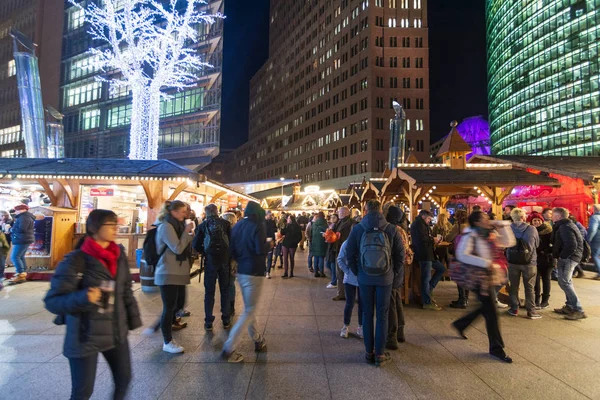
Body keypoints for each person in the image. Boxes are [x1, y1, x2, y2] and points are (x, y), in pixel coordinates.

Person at [44, 210, 141, 399]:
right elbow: (52, 301)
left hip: (116, 330)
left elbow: (125, 289)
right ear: (95, 228)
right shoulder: (76, 260)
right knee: (82, 392)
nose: (116, 228)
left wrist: (132, 318)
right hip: (85, 334)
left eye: (116, 224)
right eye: (110, 225)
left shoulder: (118, 254)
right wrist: (83, 298)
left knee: (124, 379)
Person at [451, 211, 516, 363]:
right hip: (477, 278)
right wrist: (486, 263)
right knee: (491, 311)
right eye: (484, 218)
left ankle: (461, 324)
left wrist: (503, 225)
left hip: (488, 277)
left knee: (487, 308)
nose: (488, 220)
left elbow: (509, 242)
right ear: (477, 222)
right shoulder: (471, 235)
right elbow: (462, 255)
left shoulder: (489, 234)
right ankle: (496, 349)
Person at [346, 200, 404, 367]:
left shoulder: (357, 229)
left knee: (366, 313)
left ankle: (368, 352)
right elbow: (400, 255)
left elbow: (350, 254)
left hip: (364, 278)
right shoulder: (391, 229)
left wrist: (358, 272)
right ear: (380, 211)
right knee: (382, 315)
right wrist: (392, 272)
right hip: (385, 278)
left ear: (365, 210)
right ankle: (379, 354)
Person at [222, 201, 270, 363]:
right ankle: (229, 347)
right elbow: (260, 249)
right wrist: (270, 243)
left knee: (250, 307)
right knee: (249, 310)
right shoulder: (258, 225)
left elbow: (232, 249)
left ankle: (257, 339)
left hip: (241, 271)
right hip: (255, 271)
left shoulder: (238, 225)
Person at [155, 200, 194, 353]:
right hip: (167, 272)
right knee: (169, 307)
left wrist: (188, 234)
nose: (186, 214)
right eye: (183, 211)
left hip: (175, 271)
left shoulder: (175, 226)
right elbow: (177, 248)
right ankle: (167, 341)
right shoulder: (166, 227)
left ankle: (164, 330)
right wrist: (186, 232)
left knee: (176, 305)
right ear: (174, 212)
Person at [193, 204, 232, 331]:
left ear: (206, 213)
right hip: (224, 261)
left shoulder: (203, 225)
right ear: (217, 211)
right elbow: (232, 243)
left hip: (210, 262)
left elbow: (195, 244)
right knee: (225, 290)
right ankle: (226, 319)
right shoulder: (226, 224)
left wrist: (204, 251)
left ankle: (208, 321)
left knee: (209, 292)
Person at [551, 207, 587, 320]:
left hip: (569, 258)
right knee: (566, 282)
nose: (551, 216)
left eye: (553, 214)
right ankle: (570, 306)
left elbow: (571, 245)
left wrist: (562, 257)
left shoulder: (565, 227)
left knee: (565, 282)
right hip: (571, 257)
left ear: (558, 216)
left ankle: (578, 309)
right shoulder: (566, 225)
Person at [506, 208, 541, 319]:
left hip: (512, 261)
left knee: (514, 286)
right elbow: (537, 244)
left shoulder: (507, 228)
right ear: (523, 217)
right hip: (529, 261)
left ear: (512, 217)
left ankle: (514, 308)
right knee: (529, 287)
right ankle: (531, 311)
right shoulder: (532, 229)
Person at [410, 209, 445, 311]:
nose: (429, 221)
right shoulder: (419, 224)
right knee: (426, 277)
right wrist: (433, 239)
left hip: (428, 254)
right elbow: (422, 238)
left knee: (441, 269)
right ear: (424, 217)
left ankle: (428, 290)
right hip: (424, 254)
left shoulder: (420, 224)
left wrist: (433, 240)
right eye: (429, 218)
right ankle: (426, 301)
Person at [385, 205, 409, 349]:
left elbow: (397, 254)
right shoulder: (402, 230)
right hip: (400, 269)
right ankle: (400, 329)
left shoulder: (391, 230)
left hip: (393, 269)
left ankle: (392, 335)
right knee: (396, 298)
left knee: (391, 302)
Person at [337, 240, 363, 339]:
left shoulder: (363, 241)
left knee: (362, 304)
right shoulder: (347, 243)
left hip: (362, 278)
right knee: (349, 303)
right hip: (350, 278)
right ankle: (346, 325)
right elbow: (340, 259)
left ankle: (361, 326)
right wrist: (347, 271)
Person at [528, 211, 553, 309]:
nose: (537, 222)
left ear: (542, 221)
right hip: (535, 259)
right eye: (534, 220)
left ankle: (545, 301)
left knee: (546, 279)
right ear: (531, 222)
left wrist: (544, 251)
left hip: (547, 259)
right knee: (536, 280)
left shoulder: (548, 231)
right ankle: (536, 300)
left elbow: (552, 245)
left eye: (538, 220)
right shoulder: (530, 231)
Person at [6, 204, 34, 285]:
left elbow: (22, 229)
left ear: (23, 210)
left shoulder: (24, 217)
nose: (15, 212)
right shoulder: (25, 216)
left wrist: (10, 229)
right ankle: (22, 274)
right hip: (24, 239)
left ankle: (20, 273)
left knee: (15, 256)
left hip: (22, 239)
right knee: (20, 256)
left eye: (17, 210)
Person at [332, 207, 356, 301]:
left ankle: (349, 294)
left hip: (346, 250)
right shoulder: (339, 222)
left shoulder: (351, 223)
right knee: (339, 273)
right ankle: (341, 293)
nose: (338, 213)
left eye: (340, 212)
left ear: (346, 212)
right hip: (339, 249)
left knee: (347, 272)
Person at [447, 210, 470, 308]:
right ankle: (466, 299)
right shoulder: (470, 226)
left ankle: (462, 300)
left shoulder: (458, 226)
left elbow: (448, 238)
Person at [221, 212, 238, 315]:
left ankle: (225, 306)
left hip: (223, 261)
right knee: (231, 284)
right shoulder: (237, 231)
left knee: (224, 285)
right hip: (233, 261)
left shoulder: (222, 232)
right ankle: (231, 306)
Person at [310, 212, 328, 278]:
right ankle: (322, 272)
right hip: (322, 243)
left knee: (316, 258)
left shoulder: (314, 224)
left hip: (314, 243)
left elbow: (310, 232)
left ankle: (316, 272)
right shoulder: (325, 224)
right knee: (321, 258)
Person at [325, 213, 340, 287]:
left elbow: (334, 237)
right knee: (329, 264)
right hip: (330, 248)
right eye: (331, 217)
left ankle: (334, 281)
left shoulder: (336, 226)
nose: (332, 219)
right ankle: (334, 280)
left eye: (334, 217)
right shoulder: (331, 226)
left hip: (333, 248)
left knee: (332, 265)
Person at [586, 204, 600, 280]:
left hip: (597, 239)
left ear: (595, 210)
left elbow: (592, 229)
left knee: (595, 255)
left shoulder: (595, 217)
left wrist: (589, 239)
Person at [265, 211, 277, 279]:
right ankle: (264, 270)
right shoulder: (262, 222)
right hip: (264, 242)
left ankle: (268, 272)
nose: (270, 216)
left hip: (271, 241)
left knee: (269, 258)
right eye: (269, 215)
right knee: (263, 257)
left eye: (271, 215)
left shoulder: (272, 222)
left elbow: (275, 229)